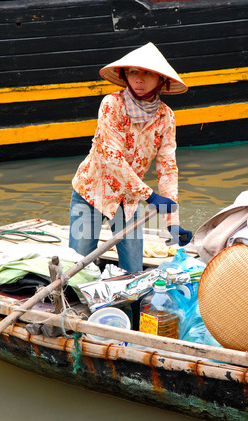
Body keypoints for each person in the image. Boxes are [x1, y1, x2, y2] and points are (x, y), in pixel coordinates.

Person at [69, 42, 192, 274]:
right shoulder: (112, 105)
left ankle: (128, 310)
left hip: (129, 200)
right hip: (91, 193)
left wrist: (172, 222)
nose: (139, 79)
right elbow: (112, 158)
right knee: (78, 268)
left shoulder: (166, 117)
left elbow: (167, 168)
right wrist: (151, 195)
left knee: (133, 271)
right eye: (134, 72)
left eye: (147, 73)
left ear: (161, 81)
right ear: (125, 75)